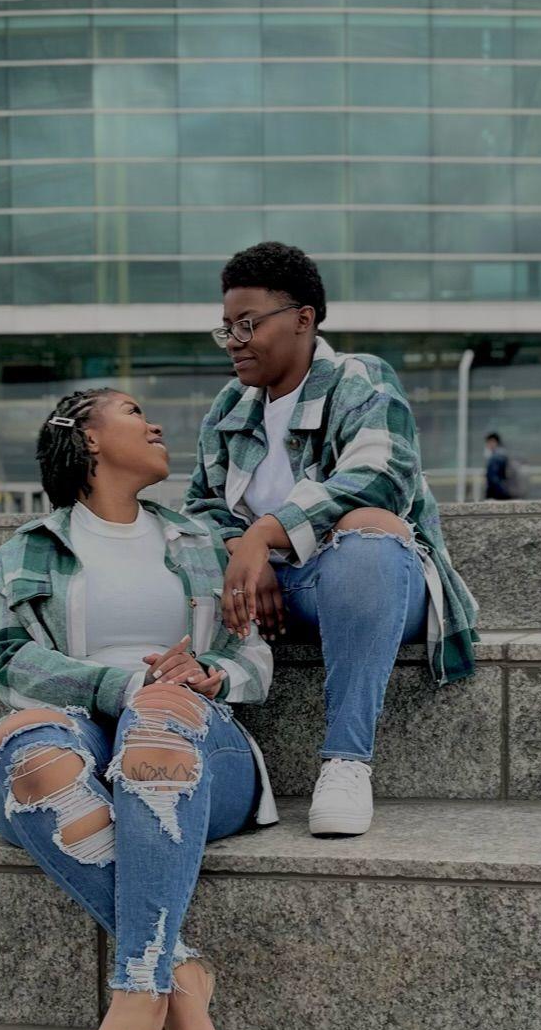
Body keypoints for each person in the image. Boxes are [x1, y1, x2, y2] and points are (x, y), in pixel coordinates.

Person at [0, 388, 277, 1030]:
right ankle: (178, 975)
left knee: (156, 720)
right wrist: (120, 686)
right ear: (88, 439)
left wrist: (212, 673)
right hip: (83, 723)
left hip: (195, 743)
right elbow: (10, 661)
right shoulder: (31, 548)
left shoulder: (198, 541)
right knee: (30, 751)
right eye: (131, 412)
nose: (155, 423)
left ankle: (135, 989)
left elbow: (252, 655)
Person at [184, 241, 479, 838]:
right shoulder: (229, 407)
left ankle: (346, 762)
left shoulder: (359, 379)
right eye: (226, 328)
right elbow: (202, 507)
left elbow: (382, 475)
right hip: (267, 597)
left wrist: (265, 534)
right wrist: (247, 550)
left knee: (370, 529)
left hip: (373, 586)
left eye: (248, 324)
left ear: (303, 318)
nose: (236, 340)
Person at [483, 431, 522, 501]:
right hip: (506, 492)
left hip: (498, 495)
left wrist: (490, 495)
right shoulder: (504, 455)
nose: (487, 446)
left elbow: (493, 478)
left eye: (488, 443)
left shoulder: (495, 458)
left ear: (493, 442)